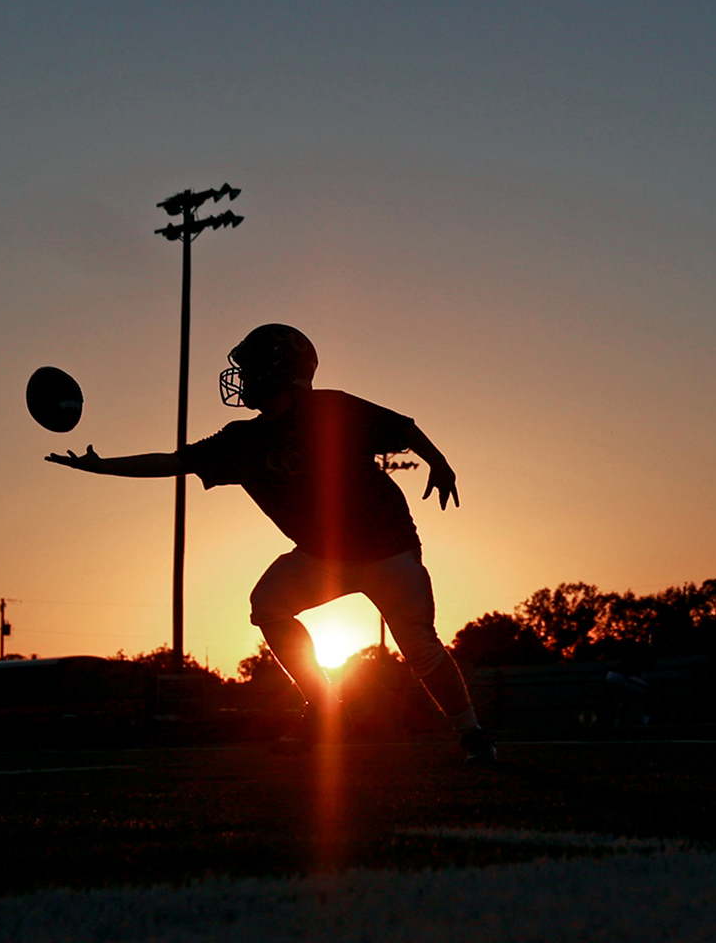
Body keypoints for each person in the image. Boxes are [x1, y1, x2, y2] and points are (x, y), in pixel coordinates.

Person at [48, 323, 497, 763]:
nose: (242, 378)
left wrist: (439, 463)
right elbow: (174, 462)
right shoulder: (242, 439)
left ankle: (471, 732)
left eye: (251, 367)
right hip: (323, 557)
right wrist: (105, 467)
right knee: (267, 604)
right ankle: (322, 706)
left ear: (279, 368)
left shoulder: (330, 409)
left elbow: (403, 427)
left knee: (418, 645)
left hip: (388, 549)